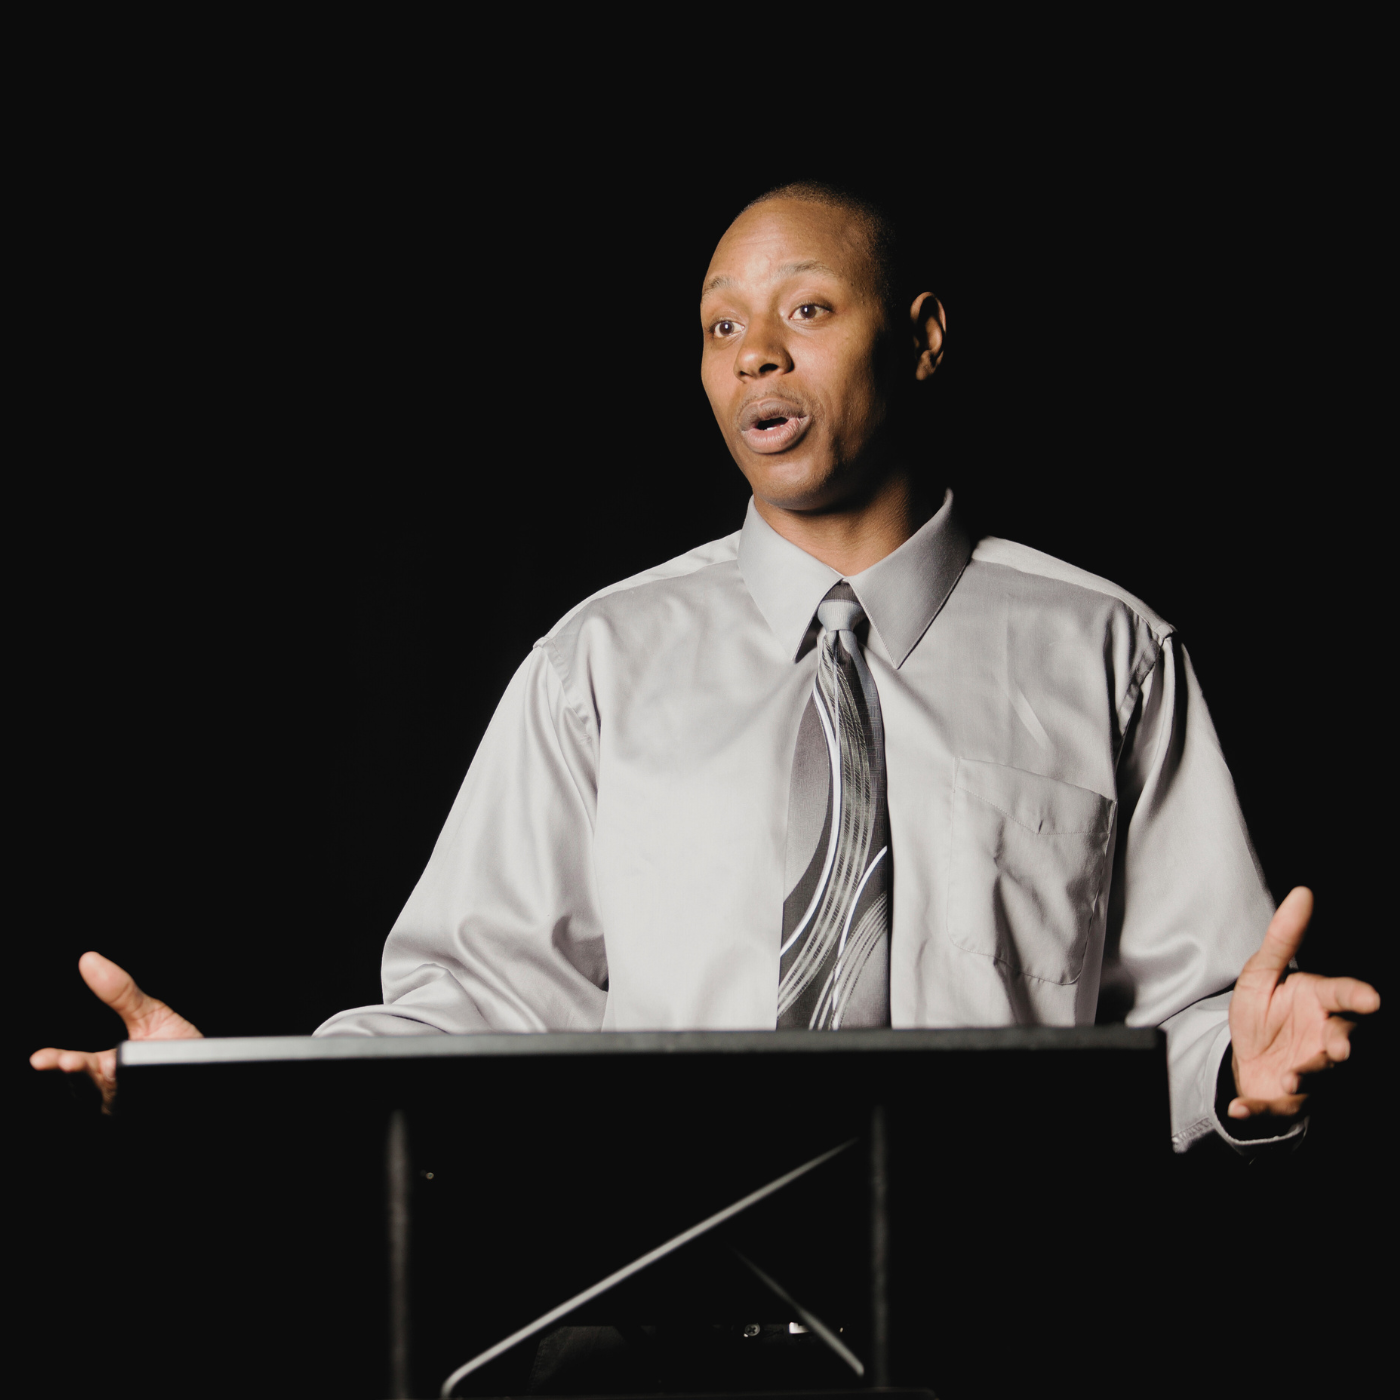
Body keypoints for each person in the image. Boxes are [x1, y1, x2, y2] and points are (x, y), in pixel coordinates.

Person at [31, 180, 1379, 1154]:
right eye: (722, 326)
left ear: (920, 336)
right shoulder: (600, 662)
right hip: (651, 1314)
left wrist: (1240, 1072)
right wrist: (239, 1096)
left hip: (1009, 1308)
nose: (759, 358)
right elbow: (484, 1002)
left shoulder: (1108, 651)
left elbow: (1192, 1011)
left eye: (806, 309)